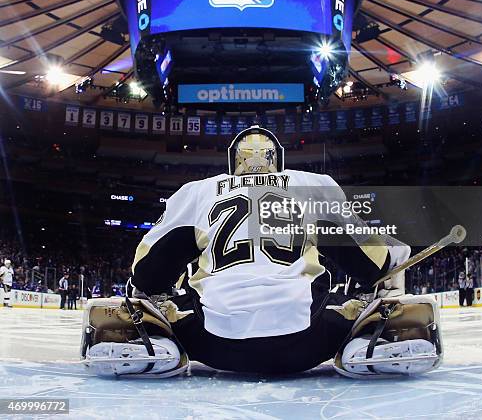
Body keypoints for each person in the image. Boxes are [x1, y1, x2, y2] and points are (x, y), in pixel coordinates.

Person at [81, 126, 442, 378]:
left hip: (214, 346)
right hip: (307, 343)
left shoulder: (197, 191)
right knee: (357, 297)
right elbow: (368, 263)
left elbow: (146, 272)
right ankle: (372, 335)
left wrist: (162, 292)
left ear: (233, 161)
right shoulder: (313, 185)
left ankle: (155, 339)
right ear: (276, 158)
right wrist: (393, 256)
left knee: (163, 301)